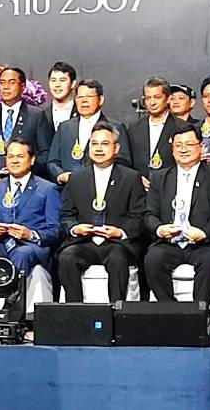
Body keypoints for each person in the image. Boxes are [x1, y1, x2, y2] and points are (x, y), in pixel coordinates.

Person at [55, 123, 148, 304]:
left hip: (116, 243)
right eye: (94, 144)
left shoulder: (131, 178)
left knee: (117, 258)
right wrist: (75, 228)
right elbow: (66, 215)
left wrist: (120, 232)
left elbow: (139, 216)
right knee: (67, 257)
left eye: (105, 144)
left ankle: (116, 311)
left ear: (116, 148)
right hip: (84, 242)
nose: (99, 149)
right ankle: (74, 310)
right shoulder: (76, 178)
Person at [140, 128, 210, 306]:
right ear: (172, 149)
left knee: (209, 261)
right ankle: (171, 310)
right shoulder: (160, 177)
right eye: (178, 145)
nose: (183, 149)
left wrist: (204, 233)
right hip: (170, 243)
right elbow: (149, 214)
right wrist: (160, 229)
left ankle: (199, 312)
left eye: (189, 144)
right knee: (152, 260)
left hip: (203, 244)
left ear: (201, 147)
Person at [0, 141, 62, 288]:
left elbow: (55, 231)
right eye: (10, 156)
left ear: (32, 160)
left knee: (21, 253)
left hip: (30, 246)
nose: (14, 161)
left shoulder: (48, 189)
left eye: (20, 156)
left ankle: (14, 299)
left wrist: (30, 234)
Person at [0, 67, 52, 189]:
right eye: (2, 82)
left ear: (23, 86)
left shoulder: (36, 115)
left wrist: (22, 169)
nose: (6, 87)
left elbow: (45, 153)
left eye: (12, 82)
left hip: (25, 185)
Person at [49, 80, 128, 180]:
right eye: (80, 97)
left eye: (89, 96)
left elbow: (123, 161)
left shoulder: (116, 127)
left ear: (100, 100)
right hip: (68, 186)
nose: (84, 101)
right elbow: (52, 161)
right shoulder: (64, 127)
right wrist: (60, 175)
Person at [125, 77, 187, 175]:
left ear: (168, 99)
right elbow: (126, 161)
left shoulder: (182, 127)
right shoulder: (134, 127)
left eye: (157, 97)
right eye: (148, 98)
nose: (152, 103)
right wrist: (137, 178)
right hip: (139, 183)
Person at [45, 61, 79, 129]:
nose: (57, 85)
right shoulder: (41, 114)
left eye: (62, 80)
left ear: (73, 84)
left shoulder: (81, 112)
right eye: (53, 80)